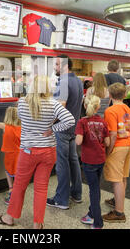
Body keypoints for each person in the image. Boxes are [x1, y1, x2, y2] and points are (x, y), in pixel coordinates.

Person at [0, 76, 75, 228]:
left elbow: (23, 121)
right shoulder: (53, 104)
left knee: (19, 185)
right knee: (41, 188)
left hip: (28, 151)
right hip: (48, 152)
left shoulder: (22, 103)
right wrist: (52, 129)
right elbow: (70, 120)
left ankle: (9, 218)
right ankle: (37, 224)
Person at [47, 55, 83, 210]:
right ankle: (76, 194)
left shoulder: (63, 82)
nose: (54, 67)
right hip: (73, 127)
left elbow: (60, 106)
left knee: (62, 163)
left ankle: (61, 199)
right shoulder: (78, 81)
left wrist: (49, 126)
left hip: (62, 128)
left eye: (56, 64)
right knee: (73, 161)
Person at [75, 95, 110, 229]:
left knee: (93, 190)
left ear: (84, 106)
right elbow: (107, 142)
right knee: (96, 187)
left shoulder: (82, 122)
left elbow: (78, 141)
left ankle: (97, 222)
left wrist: (78, 133)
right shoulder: (103, 122)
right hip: (100, 159)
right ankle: (91, 214)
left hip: (88, 160)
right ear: (99, 107)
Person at [102, 83, 130, 223]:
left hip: (117, 146)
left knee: (116, 180)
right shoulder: (129, 110)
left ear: (110, 95)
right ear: (125, 95)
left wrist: (108, 151)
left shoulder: (110, 111)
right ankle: (117, 200)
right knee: (123, 176)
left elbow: (113, 134)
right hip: (128, 144)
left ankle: (119, 213)